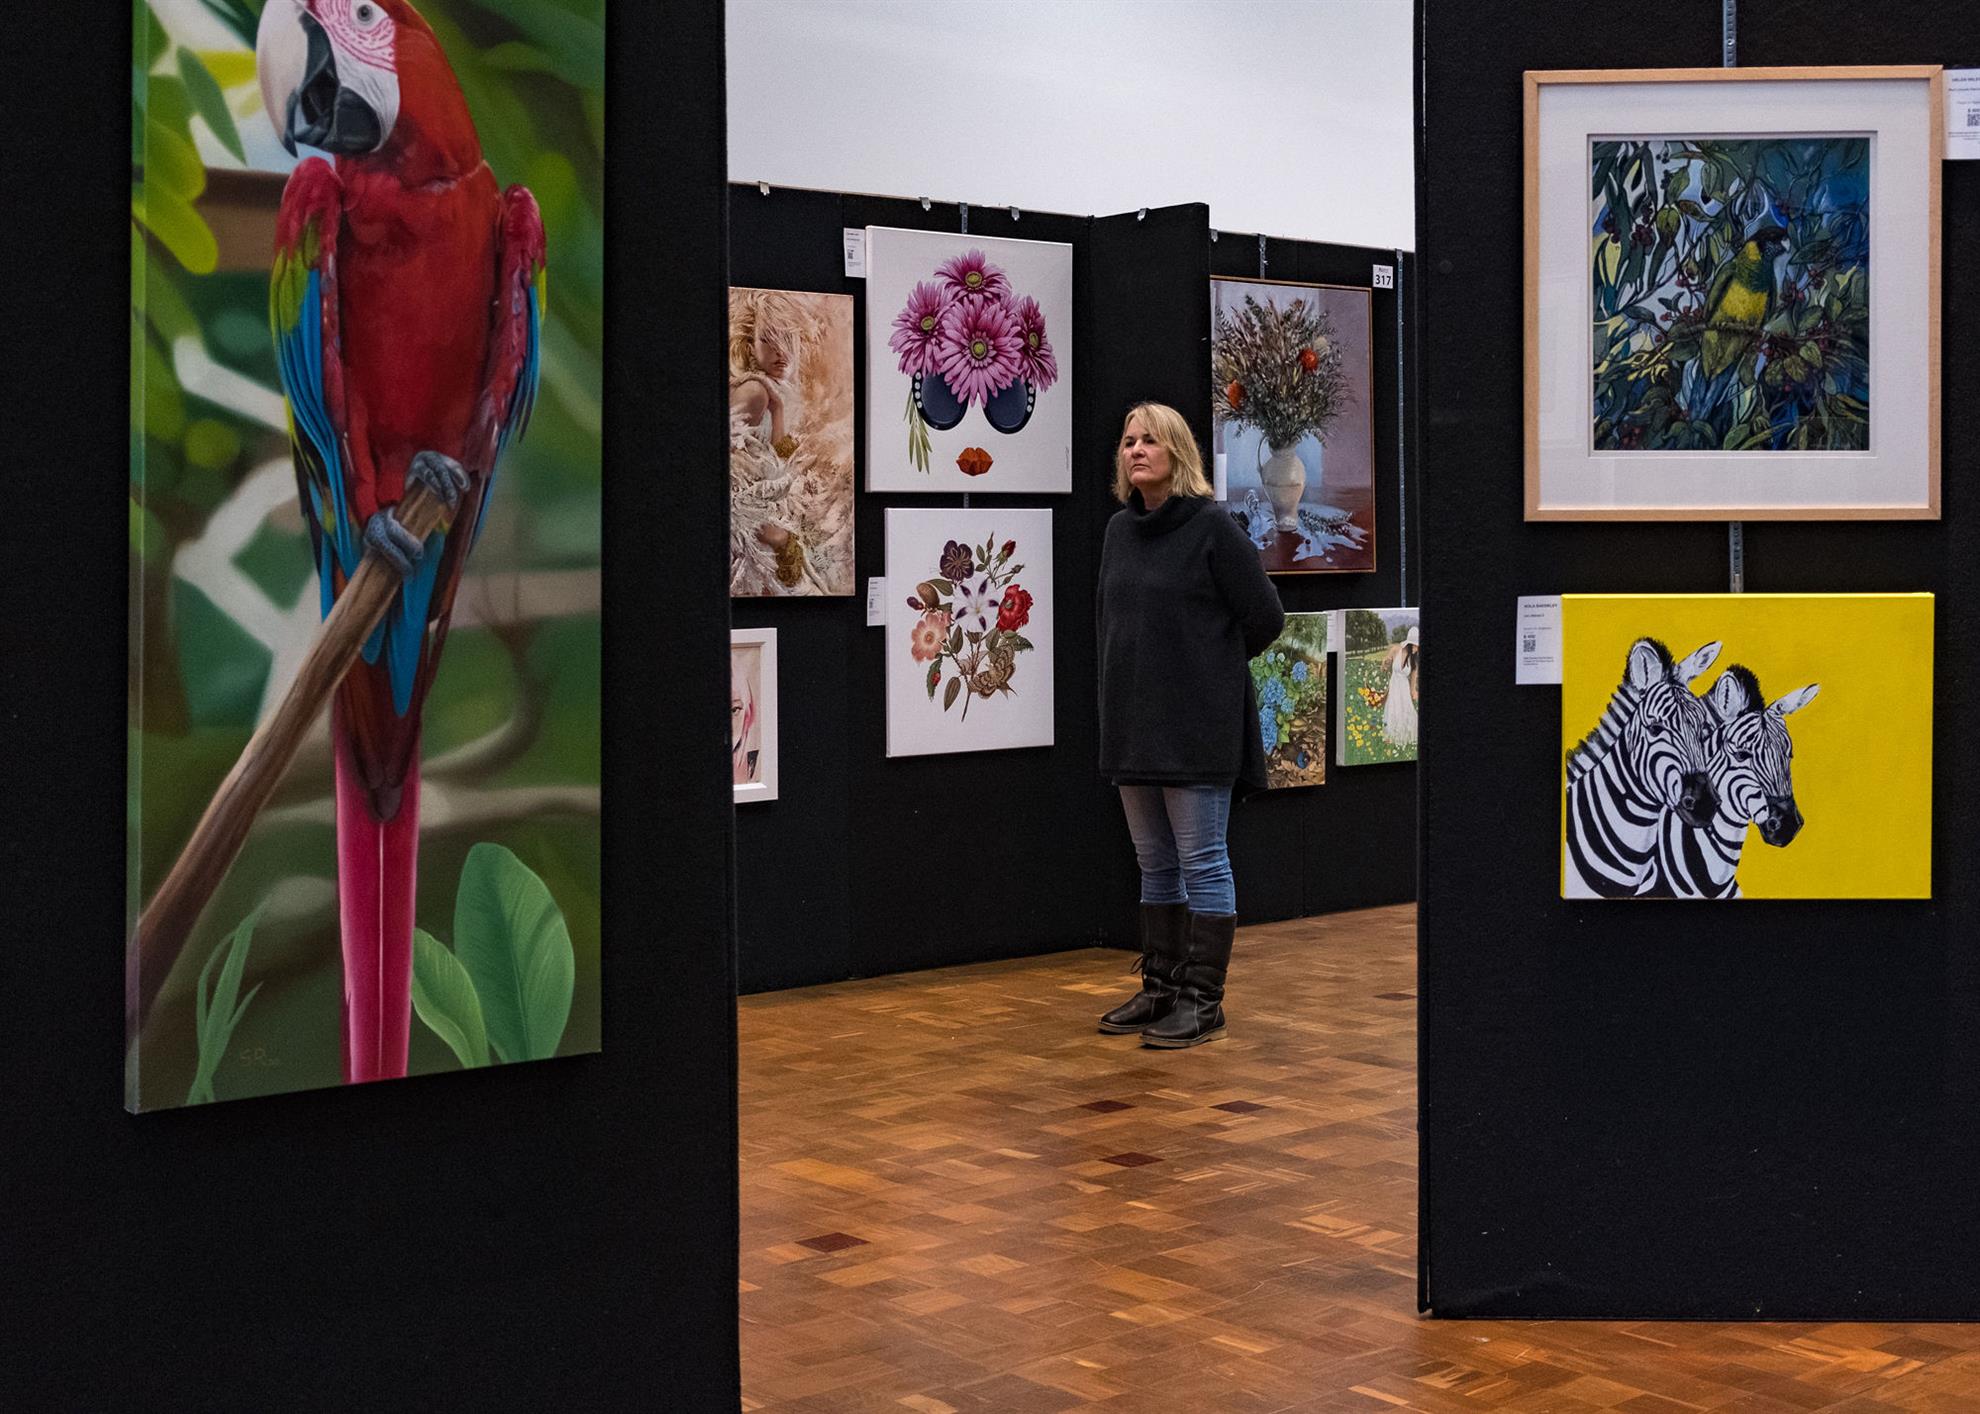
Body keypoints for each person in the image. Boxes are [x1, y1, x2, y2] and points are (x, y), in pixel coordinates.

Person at [1095, 401, 1285, 1047]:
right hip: (1133, 725)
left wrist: (1209, 670)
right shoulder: (1119, 531)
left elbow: (1265, 617)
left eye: (1150, 440)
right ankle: (1161, 989)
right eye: (1128, 441)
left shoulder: (1213, 528)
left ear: (1177, 452)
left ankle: (1204, 1002)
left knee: (1201, 861)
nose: (1136, 450)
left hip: (1196, 725)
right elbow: (1112, 626)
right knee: (1154, 862)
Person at [728, 290, 853, 596]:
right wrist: (776, 536)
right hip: (756, 533)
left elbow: (776, 454)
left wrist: (779, 410)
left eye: (787, 337)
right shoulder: (754, 391)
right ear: (751, 345)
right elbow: (733, 472)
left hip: (769, 524)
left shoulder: (774, 393)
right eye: (767, 339)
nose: (780, 350)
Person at [1381, 624, 1419, 748]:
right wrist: (1386, 663)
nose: (1417, 649)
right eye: (1415, 645)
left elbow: (1413, 681)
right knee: (1392, 709)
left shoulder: (1413, 660)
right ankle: (1391, 737)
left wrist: (1413, 692)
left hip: (1403, 689)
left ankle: (1403, 738)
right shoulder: (1395, 650)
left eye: (1418, 646)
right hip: (1394, 686)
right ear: (1409, 643)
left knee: (1405, 710)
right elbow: (1384, 668)